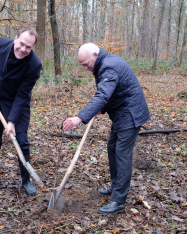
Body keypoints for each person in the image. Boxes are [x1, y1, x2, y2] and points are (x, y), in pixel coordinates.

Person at [63, 43, 150, 215]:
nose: (86, 68)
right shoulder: (105, 63)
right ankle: (116, 186)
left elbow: (102, 95)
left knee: (122, 154)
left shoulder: (108, 67)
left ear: (95, 54)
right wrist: (100, 109)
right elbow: (112, 91)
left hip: (130, 114)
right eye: (82, 65)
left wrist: (79, 118)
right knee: (112, 147)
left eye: (86, 63)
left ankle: (118, 201)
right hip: (122, 113)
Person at [0, 26, 42, 196]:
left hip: (16, 103)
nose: (23, 49)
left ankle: (26, 181)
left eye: (29, 47)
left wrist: (12, 121)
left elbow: (22, 95)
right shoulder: (0, 44)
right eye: (21, 44)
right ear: (15, 38)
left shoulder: (34, 65)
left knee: (21, 141)